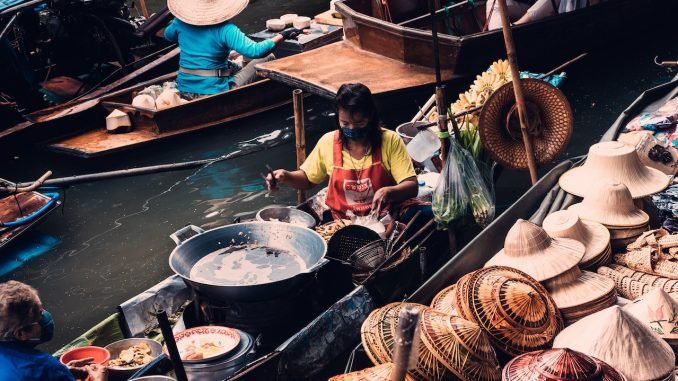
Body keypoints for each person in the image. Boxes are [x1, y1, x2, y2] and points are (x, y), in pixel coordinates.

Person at [267, 83, 431, 223]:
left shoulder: (390, 140)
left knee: (428, 215)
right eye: (345, 123)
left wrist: (389, 192)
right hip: (341, 219)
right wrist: (285, 176)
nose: (351, 128)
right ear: (337, 117)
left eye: (359, 122)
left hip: (384, 215)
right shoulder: (328, 141)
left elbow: (411, 186)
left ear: (371, 116)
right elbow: (308, 180)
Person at [164, 0, 302, 98]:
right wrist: (282, 35)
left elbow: (168, 35)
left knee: (234, 59)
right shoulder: (226, 29)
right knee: (268, 57)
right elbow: (256, 51)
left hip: (183, 87)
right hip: (213, 92)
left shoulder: (179, 23)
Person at [0, 280, 107, 381]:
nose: (46, 316)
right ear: (21, 333)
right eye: (40, 315)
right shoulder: (43, 367)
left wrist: (63, 371)